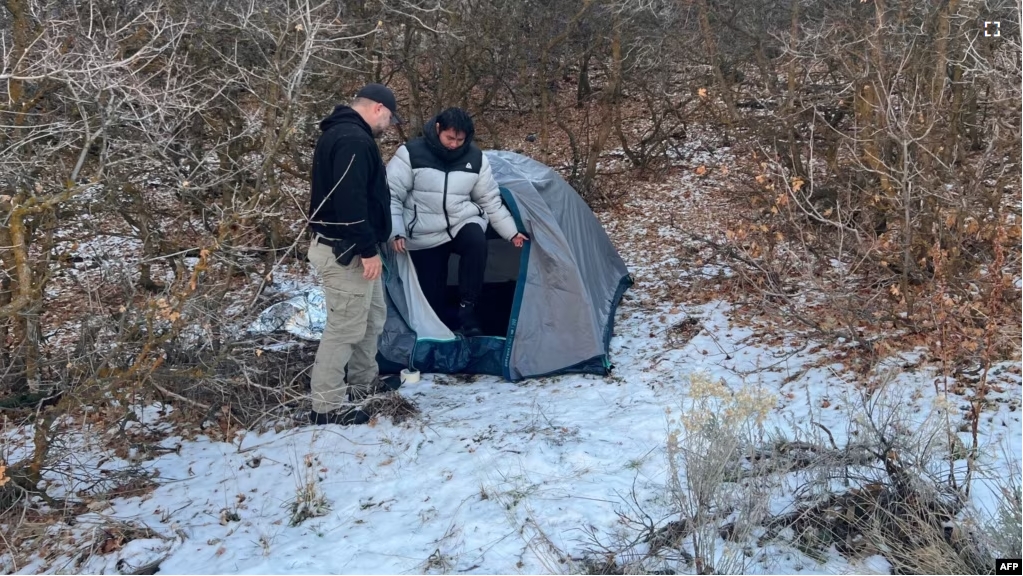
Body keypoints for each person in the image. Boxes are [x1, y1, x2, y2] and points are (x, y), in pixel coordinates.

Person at [306, 83, 402, 426]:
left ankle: (363, 385)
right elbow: (350, 203)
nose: (388, 125)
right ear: (378, 108)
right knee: (345, 328)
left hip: (357, 250)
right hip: (346, 252)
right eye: (389, 118)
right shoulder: (352, 140)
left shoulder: (347, 135)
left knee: (372, 318)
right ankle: (326, 406)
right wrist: (366, 249)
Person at [386, 108, 528, 336]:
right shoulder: (410, 153)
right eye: (450, 138)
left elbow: (489, 199)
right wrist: (396, 231)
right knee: (432, 291)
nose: (454, 144)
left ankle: (468, 308)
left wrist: (511, 232)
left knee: (476, 241)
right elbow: (391, 194)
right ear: (438, 129)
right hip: (424, 230)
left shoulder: (475, 158)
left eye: (460, 140)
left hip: (462, 221)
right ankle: (439, 328)